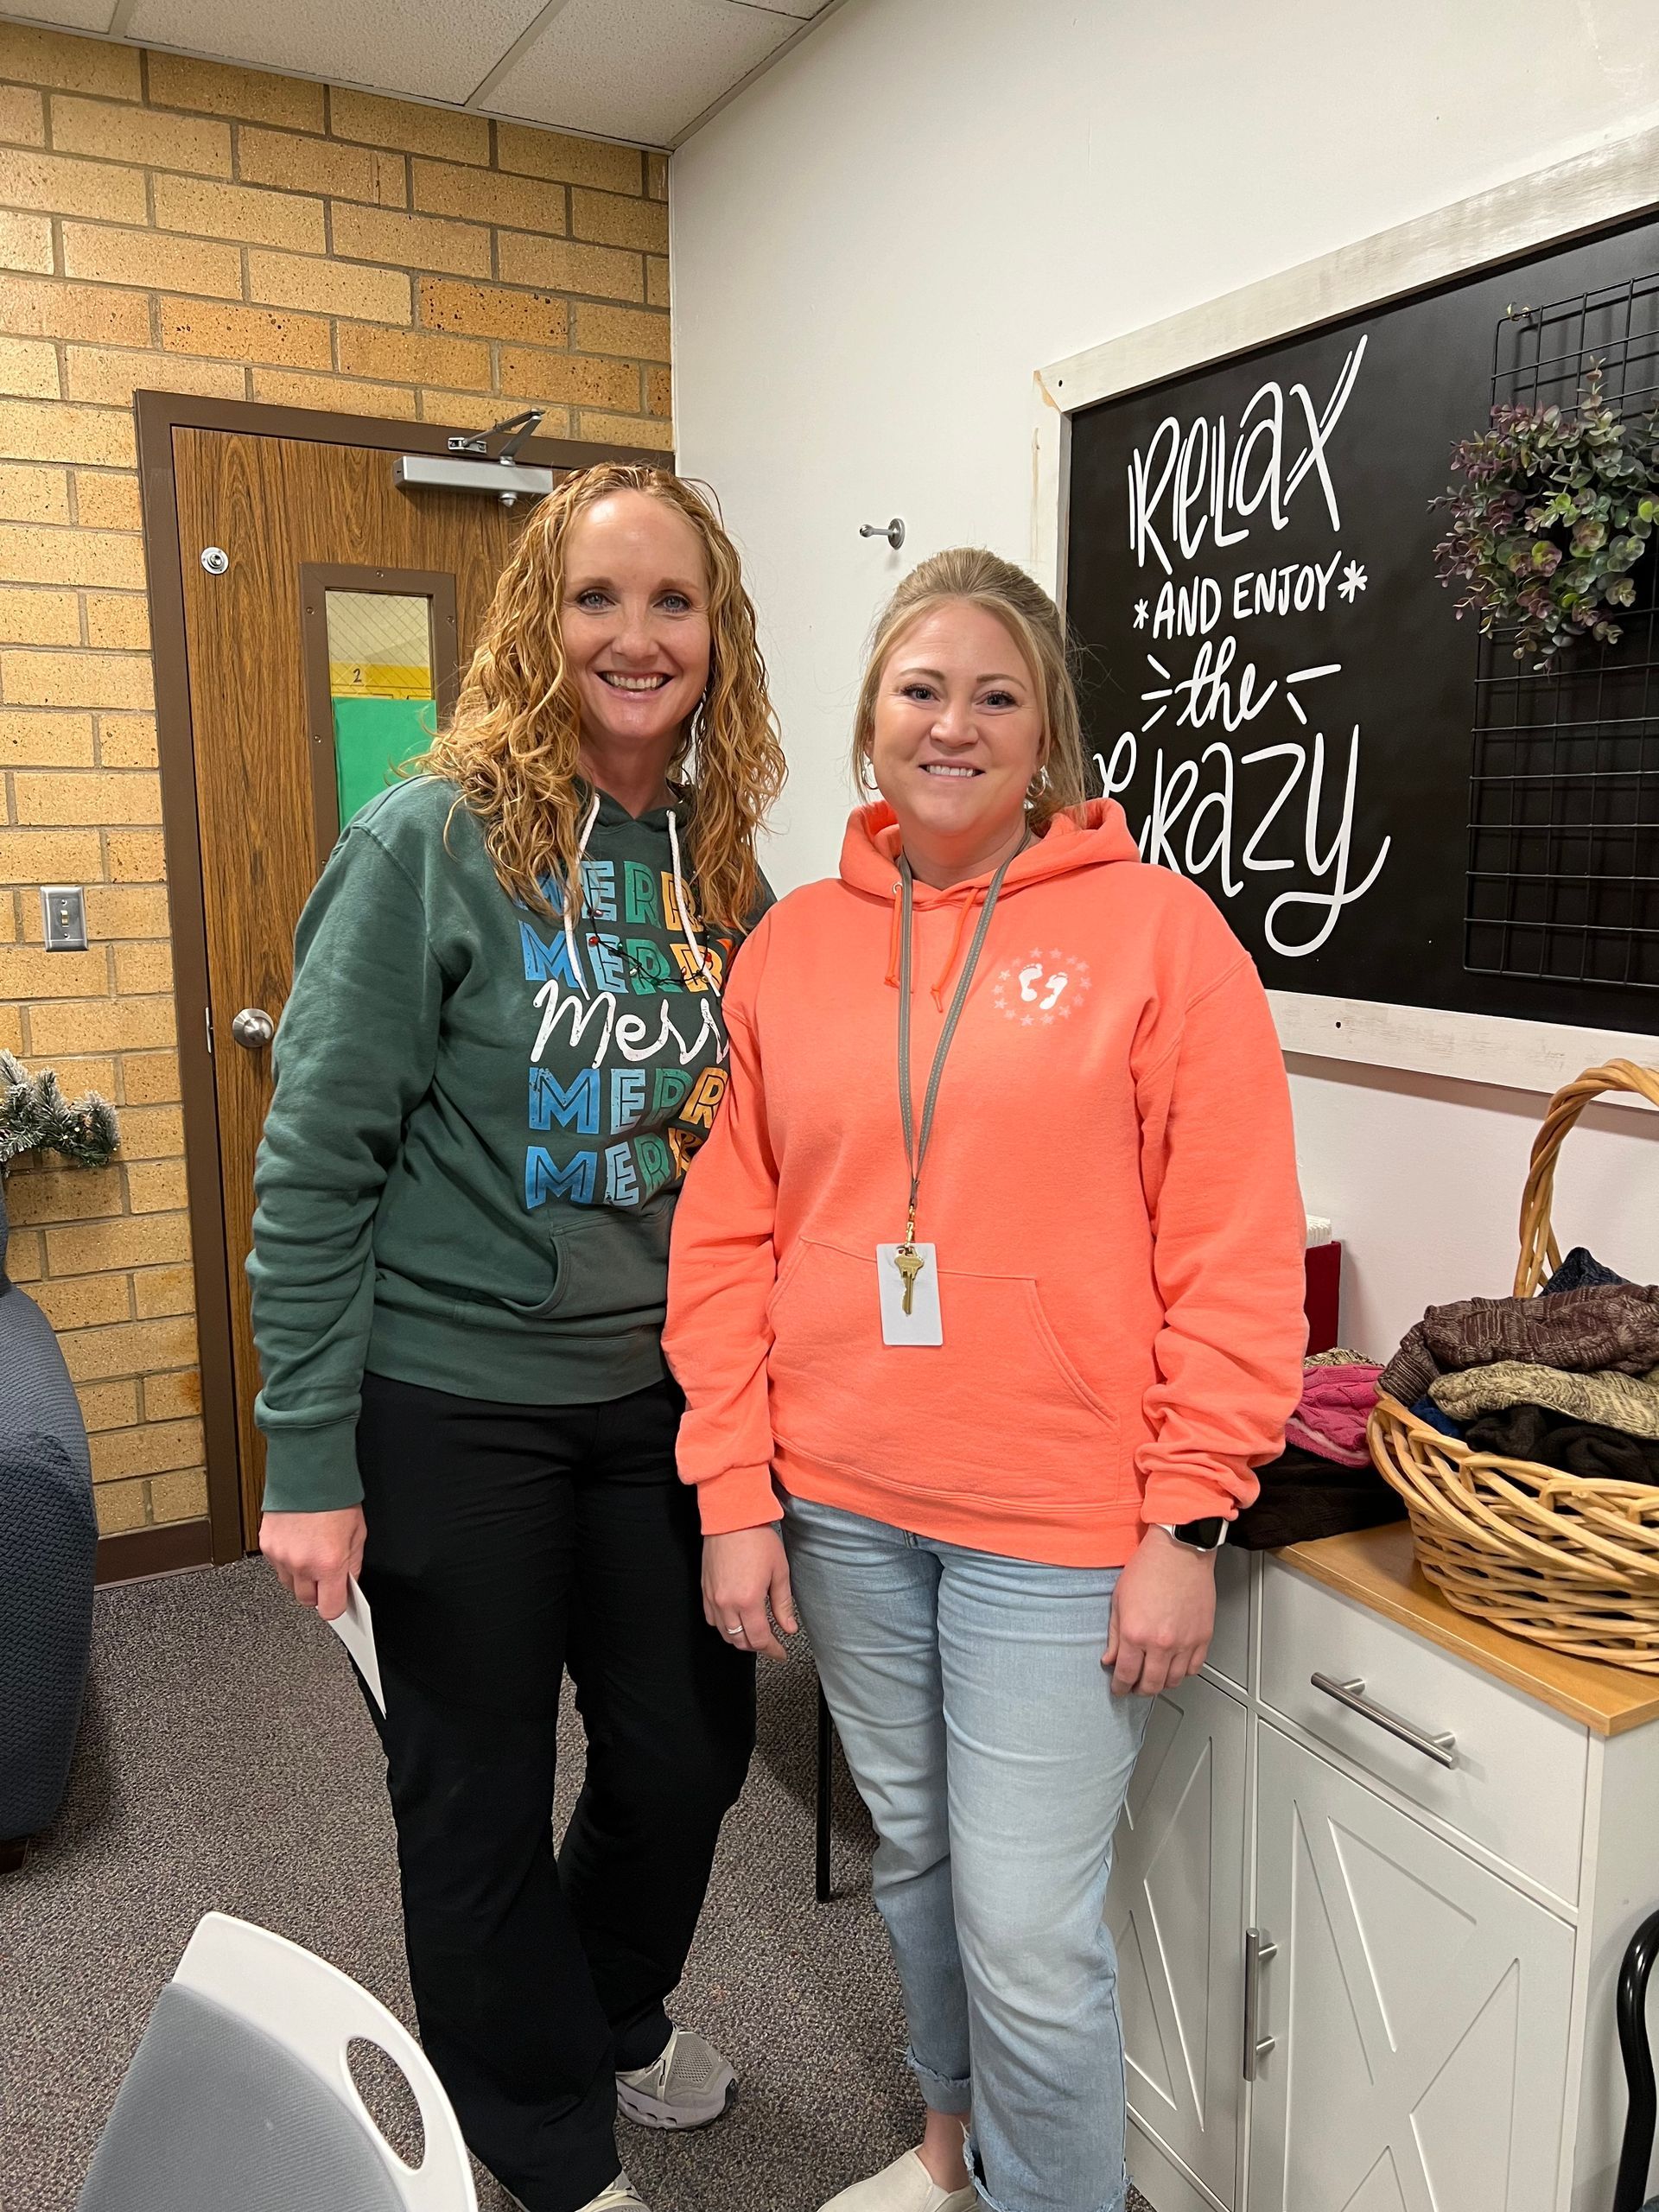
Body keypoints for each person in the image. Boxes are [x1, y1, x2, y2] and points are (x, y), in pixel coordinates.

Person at [664, 548, 1306, 2212]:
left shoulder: (1162, 938)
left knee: (1030, 1935)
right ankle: (945, 2146)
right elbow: (728, 1241)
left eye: (996, 695)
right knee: (921, 1868)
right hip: (850, 1500)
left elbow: (1232, 1255)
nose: (954, 725)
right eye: (921, 689)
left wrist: (1190, 1520)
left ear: (1049, 735)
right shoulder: (792, 948)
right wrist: (737, 1496)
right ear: (872, 719)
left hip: (1057, 1528)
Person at [251, 463, 785, 2212]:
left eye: (673, 602)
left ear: (719, 639)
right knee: (471, 1794)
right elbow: (317, 1158)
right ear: (536, 622)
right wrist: (311, 1458)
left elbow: (771, 1150)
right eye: (598, 598)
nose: (635, 636)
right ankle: (545, 2144)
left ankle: (605, 2005)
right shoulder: (429, 837)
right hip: (453, 1398)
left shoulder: (725, 867)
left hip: (663, 1400)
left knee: (687, 1752)